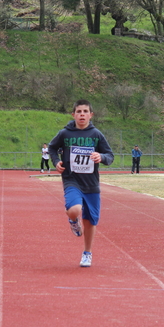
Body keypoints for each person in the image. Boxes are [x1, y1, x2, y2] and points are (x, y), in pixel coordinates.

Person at [48, 99, 114, 267]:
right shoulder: (65, 133)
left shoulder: (96, 135)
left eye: (85, 111)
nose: (82, 114)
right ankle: (72, 220)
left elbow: (109, 155)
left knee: (90, 221)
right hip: (72, 179)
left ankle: (87, 253)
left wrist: (102, 157)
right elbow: (52, 148)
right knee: (74, 210)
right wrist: (56, 162)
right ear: (73, 115)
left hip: (91, 183)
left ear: (91, 115)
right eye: (79, 112)